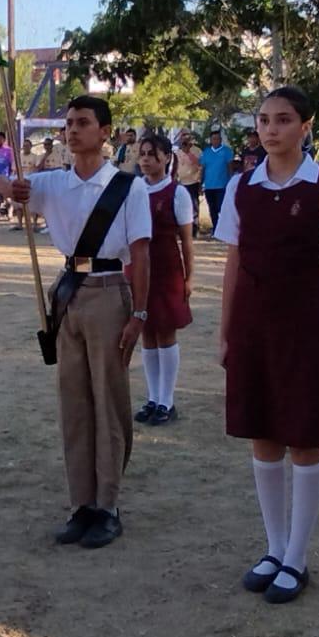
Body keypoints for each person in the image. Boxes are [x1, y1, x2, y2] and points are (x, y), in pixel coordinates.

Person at [215, 85, 319, 605]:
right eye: (264, 120)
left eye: (283, 119)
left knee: (305, 438)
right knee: (263, 435)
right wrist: (225, 332)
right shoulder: (241, 186)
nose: (271, 129)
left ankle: (297, 556)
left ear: (305, 126)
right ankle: (274, 548)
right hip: (253, 325)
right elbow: (232, 263)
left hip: (307, 324)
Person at [0, 96, 151, 550]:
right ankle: (81, 502)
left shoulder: (128, 188)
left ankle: (108, 506)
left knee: (109, 402)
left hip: (109, 291)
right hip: (68, 292)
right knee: (75, 403)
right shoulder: (52, 183)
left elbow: (141, 255)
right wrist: (11, 188)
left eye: (83, 123)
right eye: (68, 124)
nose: (73, 131)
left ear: (105, 131)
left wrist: (139, 313)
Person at [130, 133, 194, 426]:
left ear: (167, 158)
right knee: (146, 332)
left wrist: (189, 277)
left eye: (152, 154)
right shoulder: (134, 190)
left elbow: (186, 241)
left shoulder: (177, 193)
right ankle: (153, 397)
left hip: (166, 271)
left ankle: (167, 400)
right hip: (138, 270)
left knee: (165, 334)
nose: (145, 159)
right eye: (142, 154)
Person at [201, 129, 234, 237]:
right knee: (212, 209)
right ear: (210, 140)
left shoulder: (226, 151)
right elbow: (203, 168)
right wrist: (201, 182)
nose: (216, 141)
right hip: (209, 186)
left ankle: (225, 229)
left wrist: (231, 182)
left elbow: (230, 167)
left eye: (218, 139)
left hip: (222, 185)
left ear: (220, 140)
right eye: (214, 139)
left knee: (222, 208)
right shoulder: (206, 152)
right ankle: (216, 230)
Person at [174, 131, 203, 237]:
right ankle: (182, 229)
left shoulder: (197, 151)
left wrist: (188, 152)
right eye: (183, 138)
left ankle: (195, 229)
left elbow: (200, 165)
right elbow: (175, 167)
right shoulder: (177, 153)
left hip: (193, 182)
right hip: (181, 183)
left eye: (187, 138)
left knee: (194, 206)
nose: (185, 140)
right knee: (181, 206)